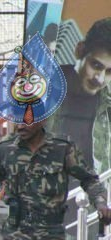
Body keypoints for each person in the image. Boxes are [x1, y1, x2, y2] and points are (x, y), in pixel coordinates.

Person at [49, 17, 111, 171]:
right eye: (96, 65)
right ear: (80, 50)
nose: (100, 79)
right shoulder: (46, 89)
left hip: (92, 191)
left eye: (109, 72)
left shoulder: (108, 104)